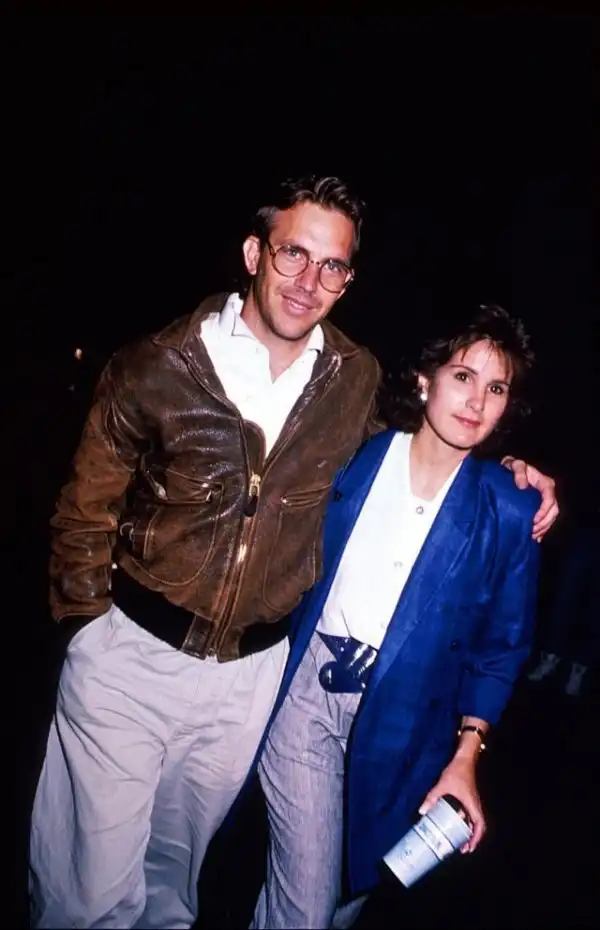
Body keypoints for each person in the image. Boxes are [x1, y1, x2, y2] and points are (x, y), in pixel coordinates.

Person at [29, 176, 557, 930]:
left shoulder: (352, 380)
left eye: (332, 265)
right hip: (136, 655)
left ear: (348, 280)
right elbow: (85, 506)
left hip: (249, 677)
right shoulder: (159, 363)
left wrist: (515, 473)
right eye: (293, 254)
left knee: (172, 887)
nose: (310, 280)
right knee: (89, 891)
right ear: (254, 253)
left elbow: (438, 450)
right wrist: (87, 630)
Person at [251, 305, 544, 930]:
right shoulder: (355, 456)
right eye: (463, 376)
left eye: (496, 389)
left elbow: (501, 649)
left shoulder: (509, 510)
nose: (476, 402)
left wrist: (466, 756)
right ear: (424, 379)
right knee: (306, 908)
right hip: (307, 699)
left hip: (407, 732)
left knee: (344, 903)